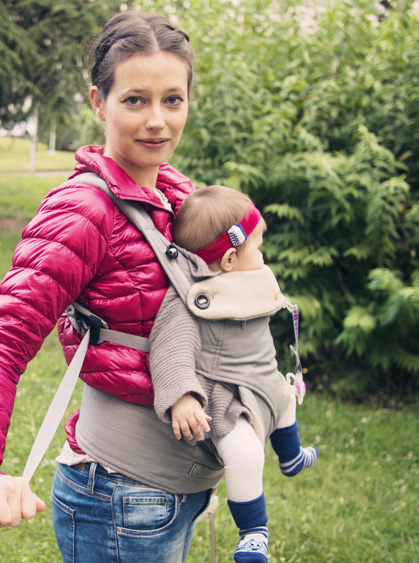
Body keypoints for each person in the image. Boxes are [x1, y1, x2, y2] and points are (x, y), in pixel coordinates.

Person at [0, 10, 225, 562]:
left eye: (173, 100)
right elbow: (1, 339)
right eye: (135, 100)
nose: (158, 122)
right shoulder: (83, 211)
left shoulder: (180, 196)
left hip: (180, 489)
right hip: (121, 497)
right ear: (99, 102)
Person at [148, 185, 319, 563]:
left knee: (286, 398)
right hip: (230, 396)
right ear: (228, 259)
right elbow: (170, 349)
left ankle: (291, 456)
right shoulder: (192, 299)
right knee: (245, 454)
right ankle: (253, 532)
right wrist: (183, 396)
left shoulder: (244, 280)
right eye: (257, 247)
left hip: (265, 379)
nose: (262, 255)